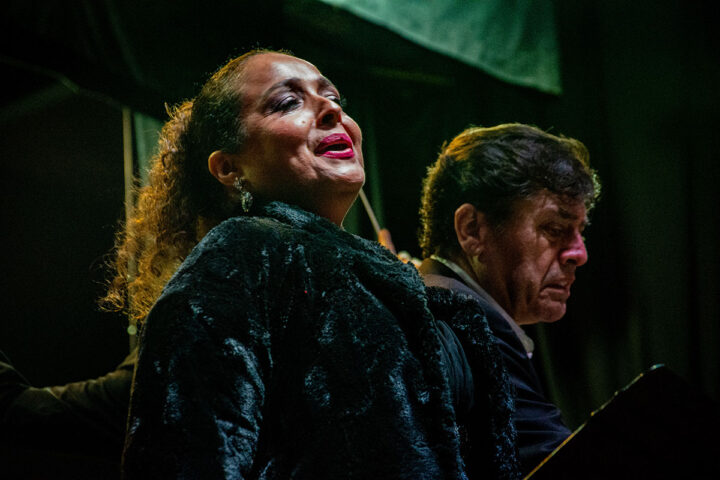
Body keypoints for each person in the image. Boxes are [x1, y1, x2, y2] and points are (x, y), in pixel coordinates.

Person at [101, 50, 520, 479]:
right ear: (229, 168)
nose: (332, 110)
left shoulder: (387, 284)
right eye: (288, 102)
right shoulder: (240, 257)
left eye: (333, 97)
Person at [417, 123, 601, 476]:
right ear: (472, 229)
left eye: (580, 231)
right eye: (554, 228)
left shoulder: (436, 302)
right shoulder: (467, 325)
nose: (579, 253)